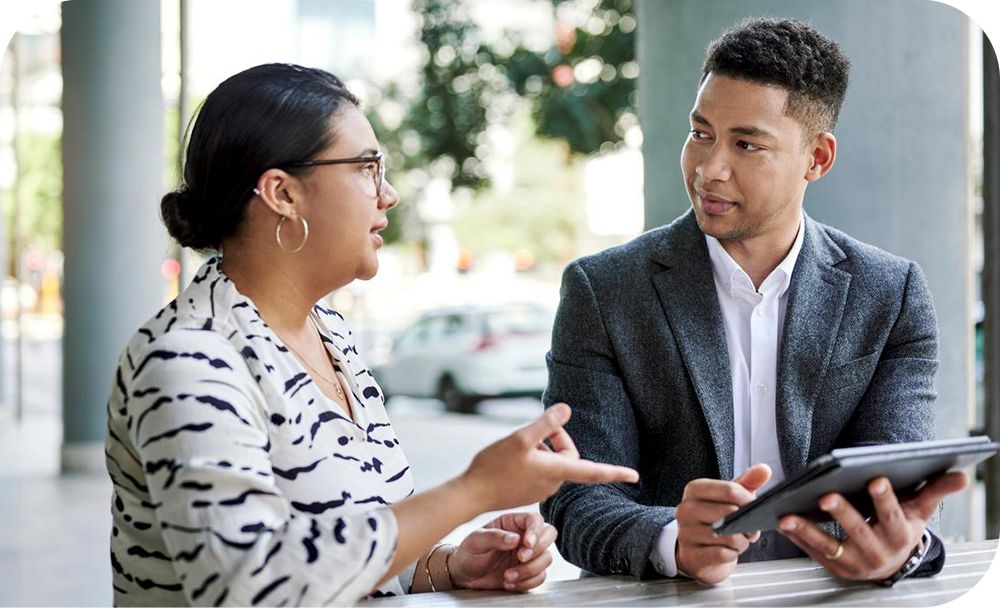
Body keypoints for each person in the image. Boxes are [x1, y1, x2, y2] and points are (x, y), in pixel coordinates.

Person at [104, 63, 638, 607]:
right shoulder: (186, 359)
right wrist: (473, 490)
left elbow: (361, 543)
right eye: (366, 167)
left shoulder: (329, 335)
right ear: (282, 193)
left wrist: (450, 566)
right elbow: (249, 585)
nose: (390, 194)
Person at [541, 17, 968, 587]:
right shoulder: (605, 292)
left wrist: (900, 551)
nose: (709, 168)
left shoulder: (890, 295)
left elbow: (895, 498)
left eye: (746, 144)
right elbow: (575, 498)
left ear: (816, 158)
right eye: (701, 134)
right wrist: (674, 541)